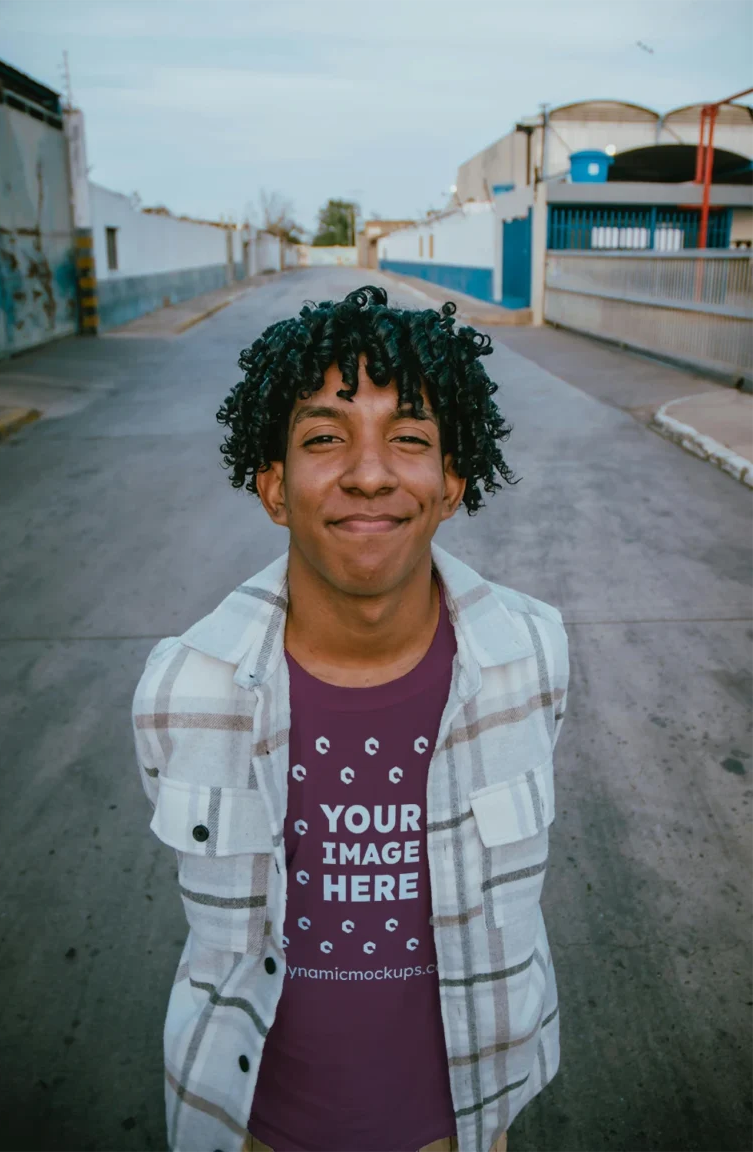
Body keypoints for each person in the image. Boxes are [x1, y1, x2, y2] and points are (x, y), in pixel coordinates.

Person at [132, 285, 570, 1152]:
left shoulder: (532, 655)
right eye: (324, 437)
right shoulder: (185, 688)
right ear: (273, 487)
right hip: (252, 1127)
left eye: (408, 438)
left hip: (465, 1124)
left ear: (452, 481)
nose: (369, 472)